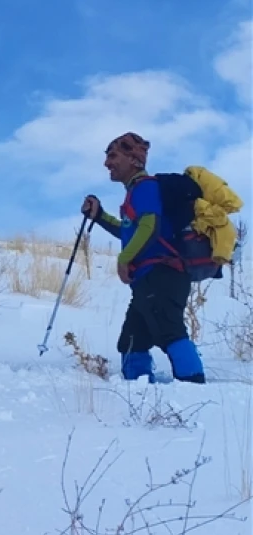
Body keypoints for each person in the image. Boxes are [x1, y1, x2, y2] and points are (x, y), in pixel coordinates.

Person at [81, 132, 205, 384]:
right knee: (132, 340)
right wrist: (100, 216)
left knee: (170, 331)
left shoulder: (146, 187)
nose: (107, 163)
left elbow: (150, 225)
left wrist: (124, 259)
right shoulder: (136, 192)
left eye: (113, 156)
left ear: (133, 159)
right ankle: (139, 390)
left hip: (162, 274)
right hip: (150, 279)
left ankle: (196, 387)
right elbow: (130, 230)